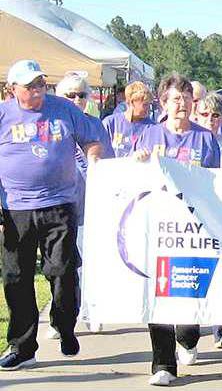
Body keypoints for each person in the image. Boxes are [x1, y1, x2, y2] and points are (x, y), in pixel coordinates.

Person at [0, 60, 103, 370]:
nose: (37, 90)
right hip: (15, 207)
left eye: (41, 84)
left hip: (59, 204)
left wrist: (95, 162)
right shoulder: (3, 115)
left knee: (62, 271)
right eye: (30, 86)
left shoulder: (63, 108)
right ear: (12, 89)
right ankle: (22, 345)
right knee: (16, 277)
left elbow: (93, 137)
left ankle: (64, 322)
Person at [132, 73, 221, 386]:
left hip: (192, 230)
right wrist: (137, 160)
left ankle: (189, 337)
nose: (181, 104)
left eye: (186, 98)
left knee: (187, 295)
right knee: (157, 294)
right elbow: (133, 179)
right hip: (158, 229)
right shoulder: (149, 136)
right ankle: (163, 364)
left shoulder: (205, 139)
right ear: (163, 103)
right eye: (175, 98)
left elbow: (216, 183)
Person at [53, 74, 115, 337]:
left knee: (89, 260)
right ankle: (60, 316)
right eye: (70, 95)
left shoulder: (95, 126)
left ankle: (92, 310)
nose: (76, 100)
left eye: (81, 95)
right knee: (59, 264)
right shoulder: (52, 125)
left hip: (89, 202)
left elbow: (109, 163)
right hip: (56, 202)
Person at [194, 92, 222, 346]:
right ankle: (191, 327)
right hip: (197, 210)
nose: (210, 119)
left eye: (216, 115)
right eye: (205, 114)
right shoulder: (194, 140)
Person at [103, 81, 154, 158]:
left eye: (149, 104)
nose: (148, 109)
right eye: (145, 105)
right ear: (132, 102)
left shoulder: (151, 128)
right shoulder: (111, 123)